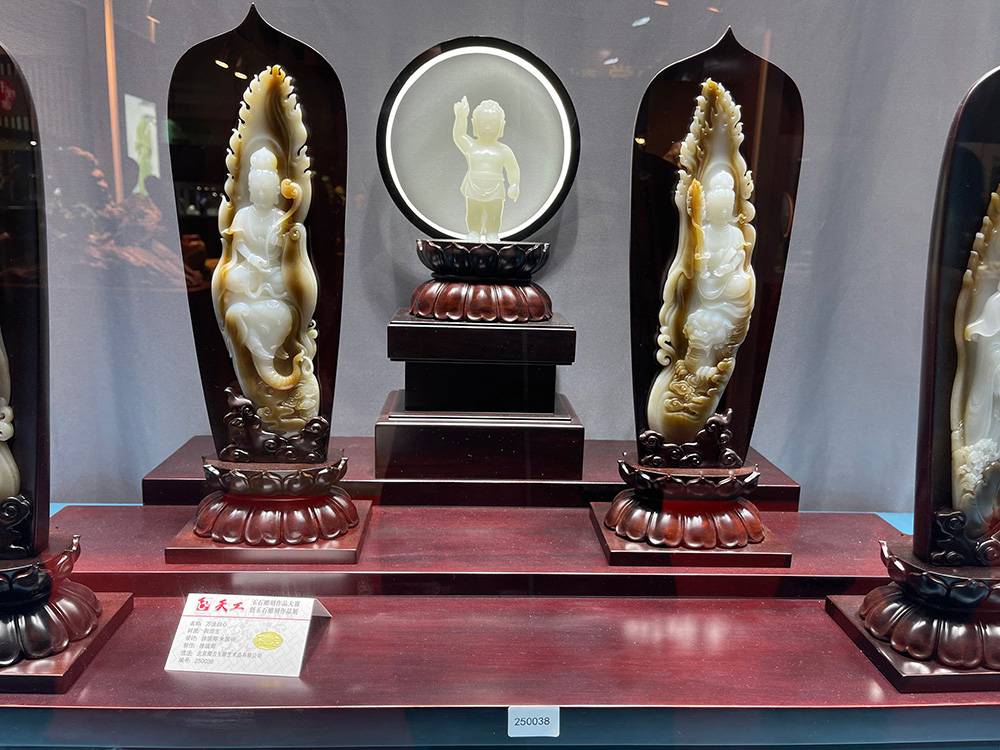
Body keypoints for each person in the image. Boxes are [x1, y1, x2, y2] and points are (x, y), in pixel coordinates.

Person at [452, 96, 520, 241]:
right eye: (483, 123)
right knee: (473, 212)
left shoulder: (504, 150)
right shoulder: (471, 146)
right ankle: (474, 232)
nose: (488, 128)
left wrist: (514, 184)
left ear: (501, 125)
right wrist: (461, 116)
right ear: (475, 124)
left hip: (496, 187)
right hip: (473, 185)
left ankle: (492, 233)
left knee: (494, 213)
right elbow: (459, 135)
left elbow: (512, 168)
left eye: (493, 124)